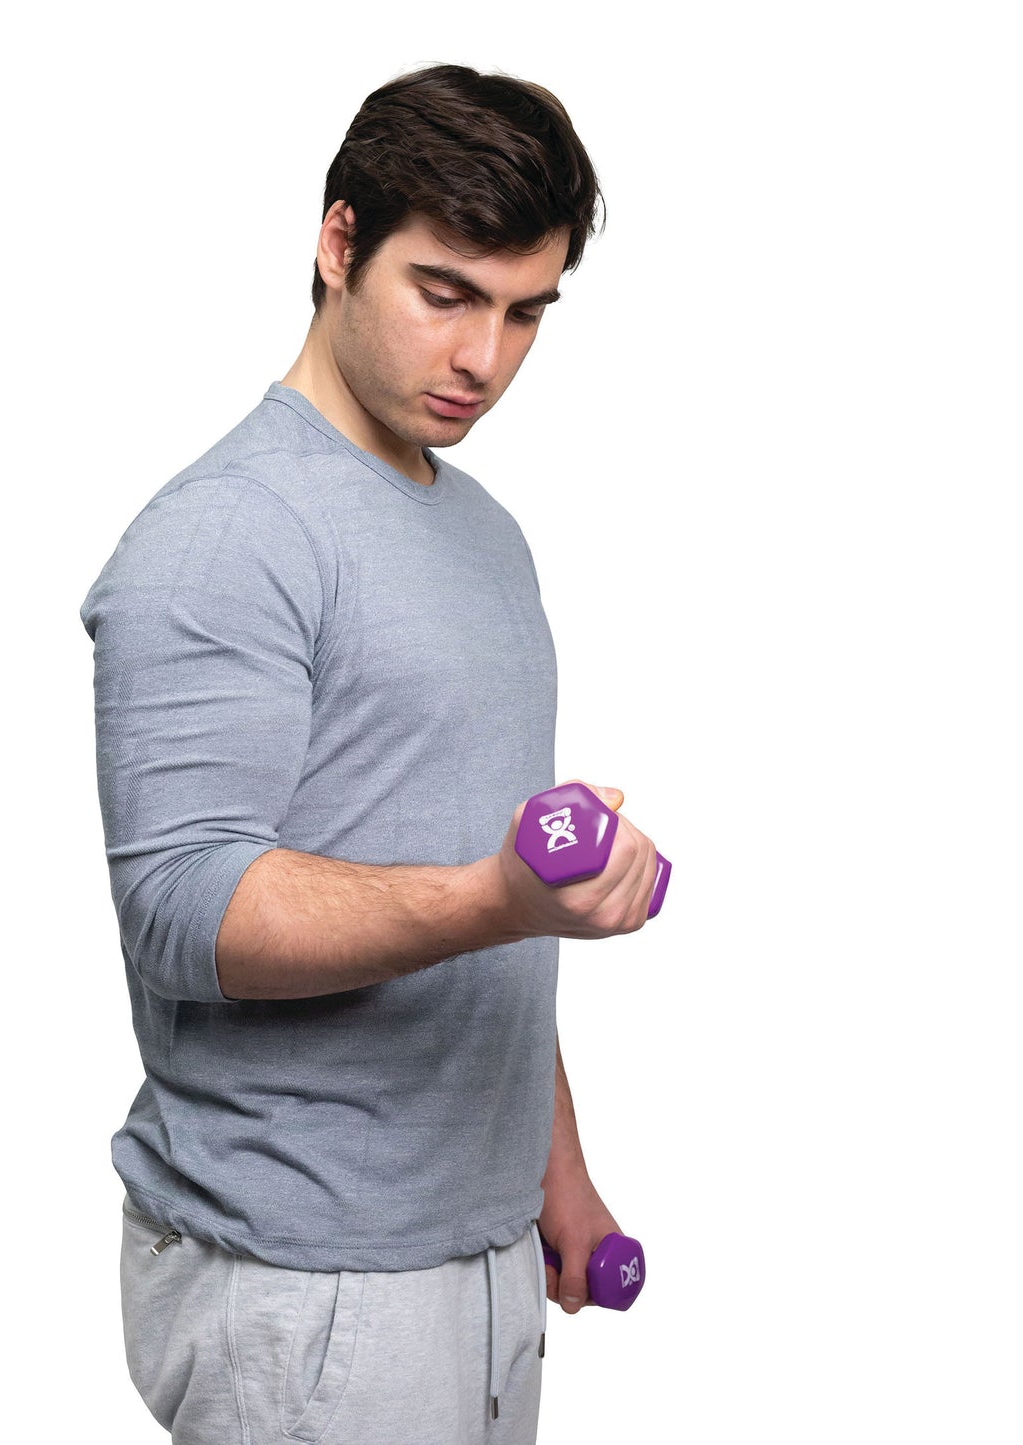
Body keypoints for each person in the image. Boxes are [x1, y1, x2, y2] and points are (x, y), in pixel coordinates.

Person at [79, 62, 661, 1444]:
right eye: (443, 292)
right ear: (337, 244)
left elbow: (482, 884)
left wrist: (550, 1170)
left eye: (525, 312)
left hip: (471, 1245)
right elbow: (182, 909)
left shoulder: (482, 535)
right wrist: (498, 895)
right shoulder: (226, 534)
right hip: (309, 1281)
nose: (482, 359)